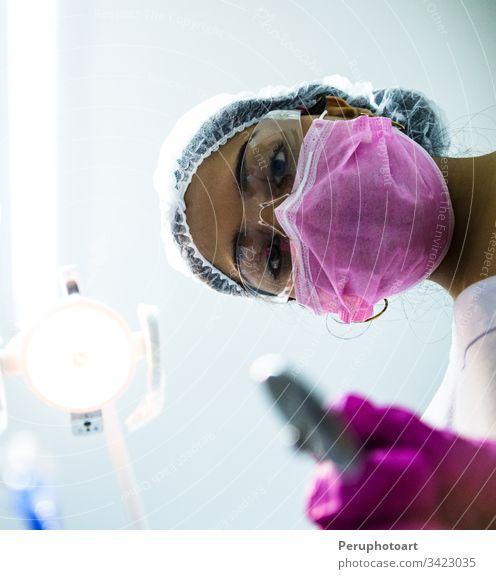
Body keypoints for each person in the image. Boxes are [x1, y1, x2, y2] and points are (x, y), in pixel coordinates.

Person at [154, 76, 496, 528]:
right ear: (318, 299)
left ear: (335, 110)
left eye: (276, 166)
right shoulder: (464, 435)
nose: (289, 213)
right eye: (271, 257)